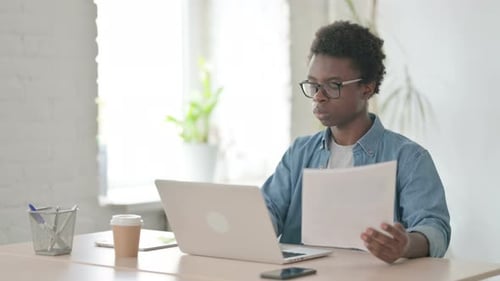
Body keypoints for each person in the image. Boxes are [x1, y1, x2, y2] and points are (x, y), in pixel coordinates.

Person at [261, 21, 451, 264]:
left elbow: (435, 229)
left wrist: (405, 244)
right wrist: (252, 226)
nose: (318, 96)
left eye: (333, 85)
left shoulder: (409, 158)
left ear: (366, 88)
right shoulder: (299, 152)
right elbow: (269, 209)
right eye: (313, 84)